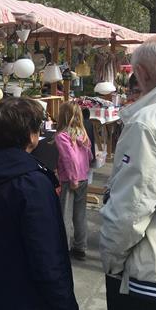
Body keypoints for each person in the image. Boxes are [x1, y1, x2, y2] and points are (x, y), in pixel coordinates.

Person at [0, 97, 80, 310]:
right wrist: (66, 309)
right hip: (29, 309)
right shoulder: (31, 183)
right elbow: (47, 255)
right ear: (31, 135)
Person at [100, 36, 156, 310]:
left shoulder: (148, 121)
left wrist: (111, 260)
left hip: (155, 281)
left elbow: (129, 212)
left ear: (143, 74)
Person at [55, 102, 93, 261]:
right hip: (83, 176)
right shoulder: (82, 134)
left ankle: (63, 247)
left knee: (65, 213)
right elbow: (89, 156)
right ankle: (80, 246)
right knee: (80, 214)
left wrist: (72, 178)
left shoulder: (62, 136)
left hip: (70, 179)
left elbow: (68, 158)